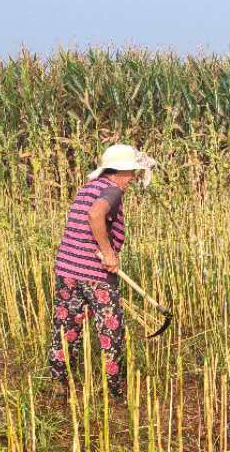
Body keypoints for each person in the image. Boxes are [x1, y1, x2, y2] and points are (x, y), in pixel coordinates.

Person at [49, 143, 156, 397]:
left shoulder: (88, 188)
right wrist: (108, 253)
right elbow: (96, 215)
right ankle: (115, 390)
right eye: (132, 173)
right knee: (111, 330)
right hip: (94, 275)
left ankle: (58, 384)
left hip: (67, 268)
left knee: (66, 327)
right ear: (121, 171)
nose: (133, 178)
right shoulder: (112, 190)